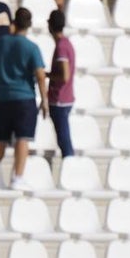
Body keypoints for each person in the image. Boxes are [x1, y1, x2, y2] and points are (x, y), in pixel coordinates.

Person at [0, 7, 48, 192]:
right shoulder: (31, 47)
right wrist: (44, 99)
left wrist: (2, 81)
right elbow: (40, 75)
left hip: (3, 96)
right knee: (23, 138)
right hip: (24, 97)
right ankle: (17, 177)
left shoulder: (0, 43)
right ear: (29, 25)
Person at [47, 9, 75, 159]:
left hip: (60, 99)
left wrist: (47, 75)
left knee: (64, 141)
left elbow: (64, 76)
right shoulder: (66, 43)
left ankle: (71, 168)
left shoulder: (61, 47)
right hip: (65, 98)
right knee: (63, 139)